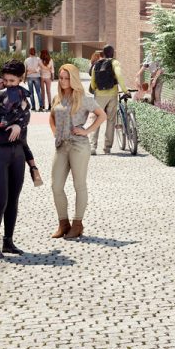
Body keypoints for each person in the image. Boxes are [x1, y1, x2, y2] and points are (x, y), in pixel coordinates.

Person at [0, 59, 34, 257]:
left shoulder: (14, 94)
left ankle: (8, 242)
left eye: (10, 80)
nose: (5, 83)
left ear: (20, 79)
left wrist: (20, 124)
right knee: (0, 201)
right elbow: (0, 122)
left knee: (13, 201)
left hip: (16, 153)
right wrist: (22, 113)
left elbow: (27, 119)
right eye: (2, 80)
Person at [48, 60, 102, 238]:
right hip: (61, 146)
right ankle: (63, 223)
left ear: (74, 79)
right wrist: (56, 133)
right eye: (61, 78)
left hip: (79, 146)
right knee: (56, 185)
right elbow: (52, 118)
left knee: (79, 185)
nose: (63, 81)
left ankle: (77, 224)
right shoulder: (58, 98)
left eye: (66, 78)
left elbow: (103, 115)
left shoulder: (85, 99)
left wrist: (87, 130)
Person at [90, 45, 121, 152]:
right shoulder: (115, 63)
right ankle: (107, 148)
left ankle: (93, 147)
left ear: (103, 53)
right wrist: (125, 91)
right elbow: (119, 76)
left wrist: (97, 90)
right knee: (111, 120)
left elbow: (93, 82)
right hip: (112, 94)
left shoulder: (96, 64)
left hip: (99, 95)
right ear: (113, 53)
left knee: (96, 119)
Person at [24, 45, 46, 112]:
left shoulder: (26, 60)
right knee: (38, 92)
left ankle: (33, 107)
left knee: (31, 93)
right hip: (37, 77)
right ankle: (41, 106)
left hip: (29, 77)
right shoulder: (38, 59)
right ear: (35, 52)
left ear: (29, 52)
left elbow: (25, 70)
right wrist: (35, 71)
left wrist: (24, 78)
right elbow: (40, 68)